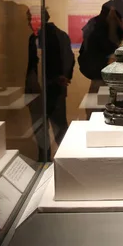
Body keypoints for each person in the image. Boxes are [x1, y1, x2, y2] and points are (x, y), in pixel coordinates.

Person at [38, 9, 75, 158]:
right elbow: (70, 58)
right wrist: (65, 77)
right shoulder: (61, 34)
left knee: (43, 127)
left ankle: (45, 160)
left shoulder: (40, 36)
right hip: (57, 87)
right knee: (59, 126)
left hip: (47, 87)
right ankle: (68, 158)